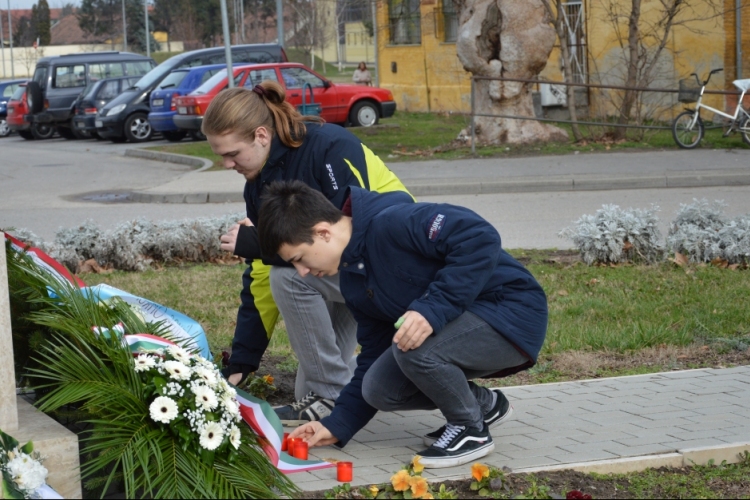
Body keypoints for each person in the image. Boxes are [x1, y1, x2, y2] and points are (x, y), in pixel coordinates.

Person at [258, 180, 548, 468]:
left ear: (322, 232)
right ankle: (484, 407)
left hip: (512, 313)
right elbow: (373, 353)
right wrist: (337, 424)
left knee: (414, 345)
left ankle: (470, 430)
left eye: (299, 259)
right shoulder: (354, 280)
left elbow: (478, 236)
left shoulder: (394, 222)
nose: (303, 272)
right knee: (379, 386)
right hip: (464, 325)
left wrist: (431, 310)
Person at [202, 82, 412, 425]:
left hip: (390, 266)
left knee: (287, 276)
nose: (227, 164)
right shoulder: (258, 186)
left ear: (261, 135)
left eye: (232, 153)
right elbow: (259, 273)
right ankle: (337, 396)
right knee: (304, 395)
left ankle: (334, 395)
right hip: (343, 273)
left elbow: (354, 235)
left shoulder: (331, 146)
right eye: (220, 155)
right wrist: (243, 360)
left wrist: (261, 245)